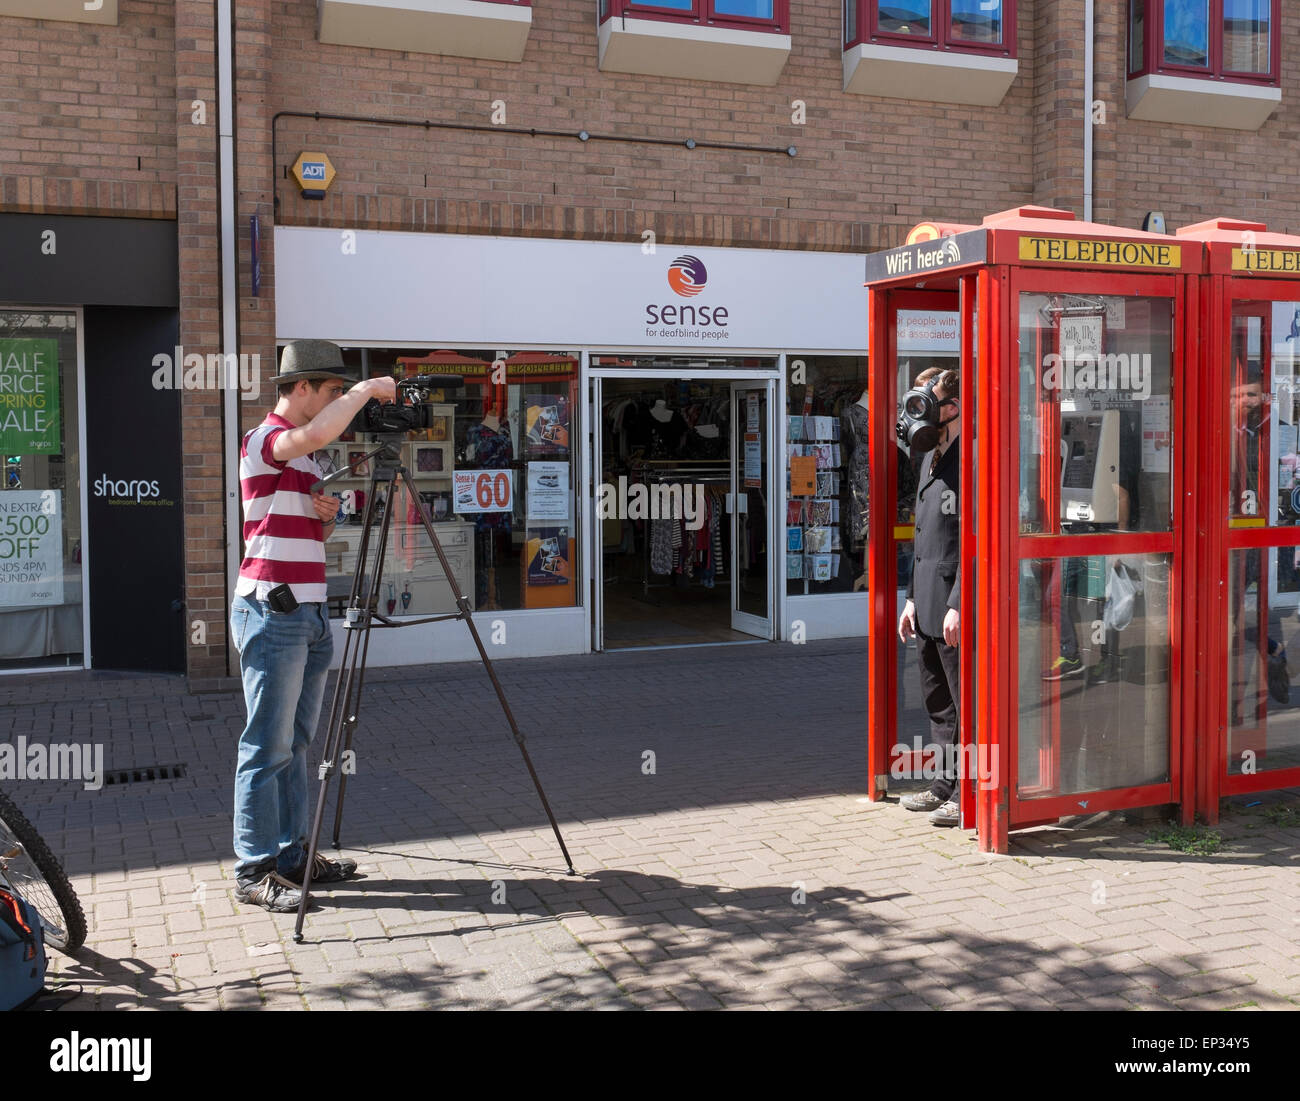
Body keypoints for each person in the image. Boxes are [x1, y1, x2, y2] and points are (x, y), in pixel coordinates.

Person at [229, 340, 397, 912]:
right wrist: (366, 389)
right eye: (330, 390)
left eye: (339, 392)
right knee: (266, 744)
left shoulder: (305, 462)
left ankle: (293, 857)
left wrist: (322, 517)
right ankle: (254, 871)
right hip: (273, 611)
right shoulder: (267, 439)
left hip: (308, 610)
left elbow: (309, 538)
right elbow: (316, 434)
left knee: (295, 744)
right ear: (301, 387)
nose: (334, 403)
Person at [897, 367, 962, 828]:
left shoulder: (969, 459)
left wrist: (959, 602)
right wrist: (911, 599)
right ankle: (943, 785)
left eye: (926, 401)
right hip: (926, 603)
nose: (916, 410)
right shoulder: (929, 457)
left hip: (953, 607)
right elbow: (923, 536)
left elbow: (972, 543)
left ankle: (969, 791)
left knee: (965, 701)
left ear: (951, 408)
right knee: (937, 702)